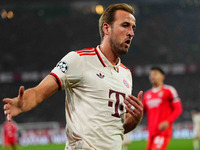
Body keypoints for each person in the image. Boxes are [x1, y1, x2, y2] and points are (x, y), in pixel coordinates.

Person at [3, 3, 143, 150]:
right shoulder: (79, 60)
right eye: (125, 25)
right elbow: (39, 92)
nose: (131, 33)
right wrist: (24, 102)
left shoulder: (126, 74)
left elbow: (116, 129)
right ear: (107, 28)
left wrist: (135, 119)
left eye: (133, 28)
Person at [142, 66, 182, 150]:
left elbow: (178, 109)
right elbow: (140, 113)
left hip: (163, 132)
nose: (152, 76)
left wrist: (167, 122)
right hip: (151, 133)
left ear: (162, 76)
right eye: (151, 74)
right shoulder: (146, 95)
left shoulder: (169, 90)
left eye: (155, 73)